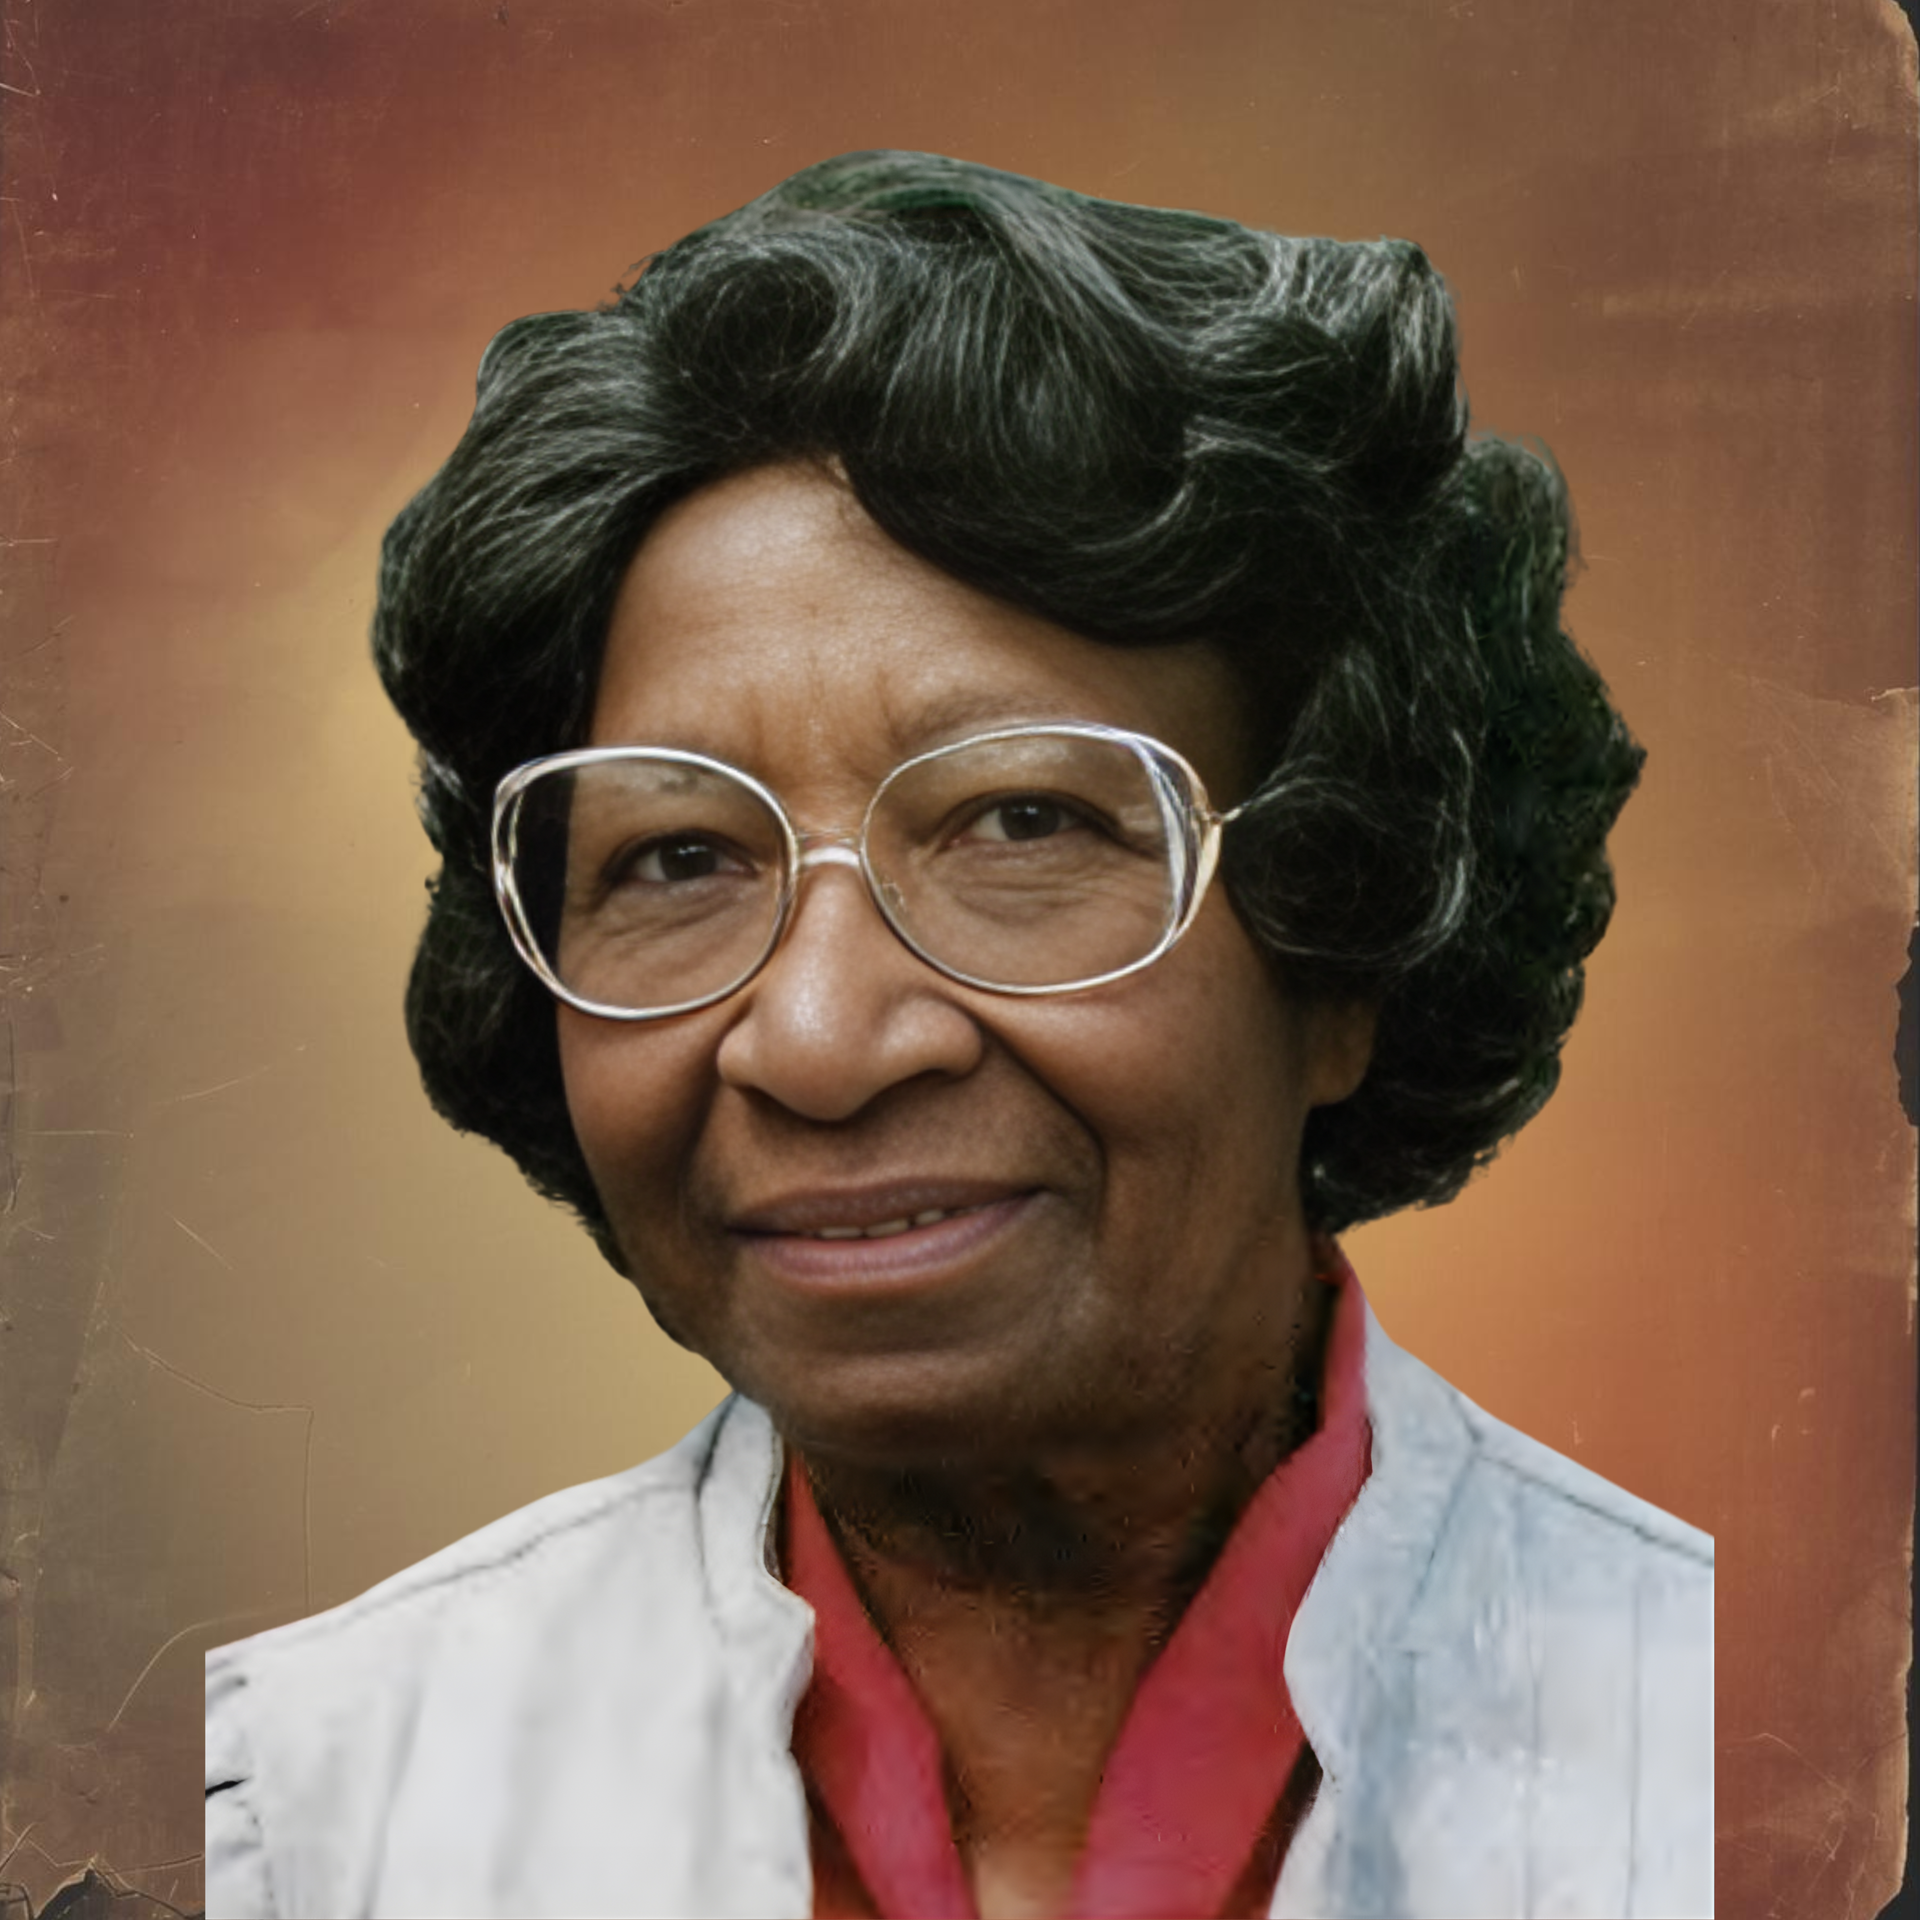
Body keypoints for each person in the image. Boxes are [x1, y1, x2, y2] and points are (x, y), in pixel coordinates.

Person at [203, 152, 1713, 1919]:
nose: (819, 1038)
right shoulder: (284, 1832)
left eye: (1021, 824)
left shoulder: (1765, 1779)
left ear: (1347, 949)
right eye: (679, 857)